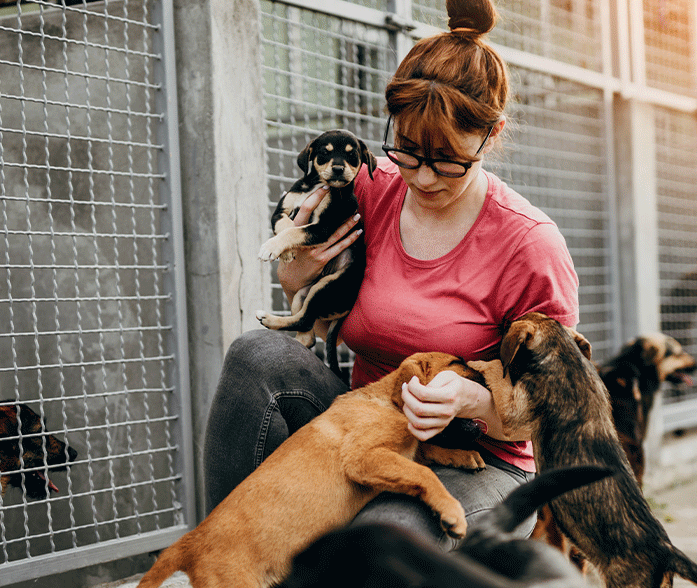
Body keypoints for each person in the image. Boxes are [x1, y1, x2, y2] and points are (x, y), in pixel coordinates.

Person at [202, 0, 579, 556]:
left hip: (480, 455)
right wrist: (296, 280)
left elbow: (555, 407)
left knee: (372, 547)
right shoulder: (371, 191)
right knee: (258, 356)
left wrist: (473, 399)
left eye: (446, 159)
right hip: (367, 419)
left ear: (491, 135)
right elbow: (310, 281)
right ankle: (231, 563)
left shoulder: (528, 243)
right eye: (405, 150)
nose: (422, 177)